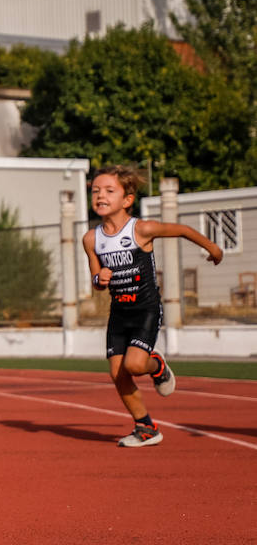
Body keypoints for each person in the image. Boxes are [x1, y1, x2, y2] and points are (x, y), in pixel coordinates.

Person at [83, 165, 223, 447]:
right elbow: (97, 282)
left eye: (109, 191)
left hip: (145, 309)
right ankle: (146, 427)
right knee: (116, 374)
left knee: (135, 366)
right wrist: (100, 278)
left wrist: (213, 248)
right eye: (96, 190)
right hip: (119, 313)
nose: (100, 196)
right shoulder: (91, 239)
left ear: (127, 200)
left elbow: (181, 229)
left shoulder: (141, 229)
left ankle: (156, 365)